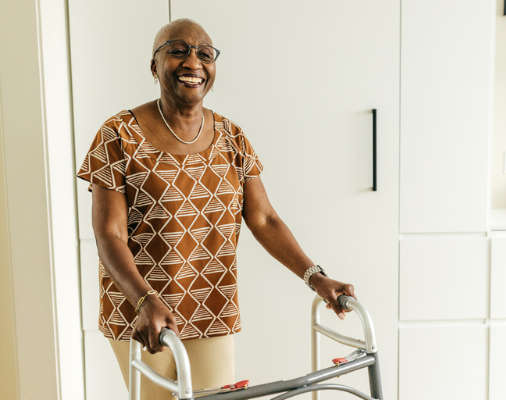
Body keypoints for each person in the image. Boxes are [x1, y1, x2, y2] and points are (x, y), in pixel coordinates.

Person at [77, 18, 356, 399]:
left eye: (204, 54)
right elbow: (108, 234)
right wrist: (144, 299)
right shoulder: (118, 134)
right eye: (177, 50)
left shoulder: (231, 136)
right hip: (141, 309)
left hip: (212, 305)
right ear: (154, 66)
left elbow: (264, 218)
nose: (193, 62)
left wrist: (315, 276)